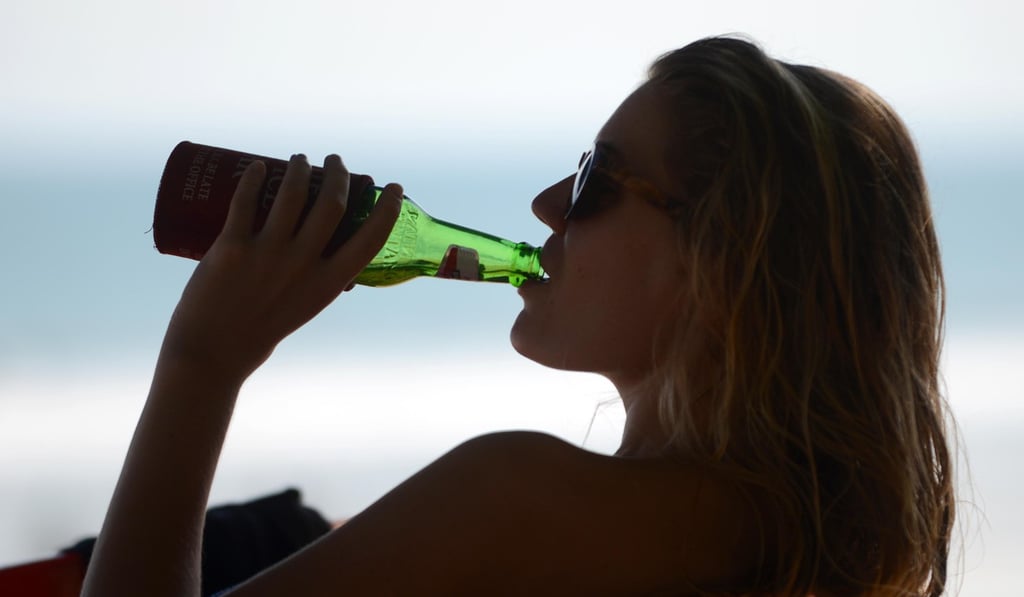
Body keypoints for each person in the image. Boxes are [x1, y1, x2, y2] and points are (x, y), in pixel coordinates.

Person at [81, 36, 954, 596]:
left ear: (725, 258)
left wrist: (202, 362)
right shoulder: (817, 547)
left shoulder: (521, 499)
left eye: (594, 182)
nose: (544, 205)